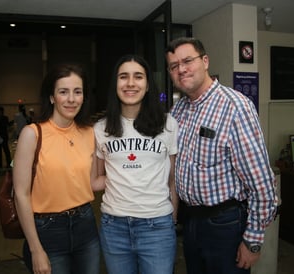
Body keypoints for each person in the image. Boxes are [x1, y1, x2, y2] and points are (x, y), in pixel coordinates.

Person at [165, 37, 278, 274]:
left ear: (205, 61)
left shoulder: (235, 106)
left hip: (225, 225)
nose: (181, 69)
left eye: (187, 61)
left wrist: (253, 241)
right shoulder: (178, 111)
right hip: (191, 222)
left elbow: (262, 184)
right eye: (174, 66)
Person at [93, 54, 179, 274]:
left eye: (138, 77)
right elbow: (96, 179)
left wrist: (172, 219)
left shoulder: (168, 124)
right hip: (114, 227)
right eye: (123, 77)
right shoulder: (101, 128)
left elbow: (172, 178)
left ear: (148, 85)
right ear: (115, 84)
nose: (130, 83)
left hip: (157, 226)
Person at [13, 63, 100, 274]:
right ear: (52, 97)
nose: (71, 99)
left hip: (85, 226)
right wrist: (36, 249)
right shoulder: (32, 134)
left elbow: (92, 182)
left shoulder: (90, 133)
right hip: (47, 231)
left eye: (77, 92)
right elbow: (21, 195)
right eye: (63, 92)